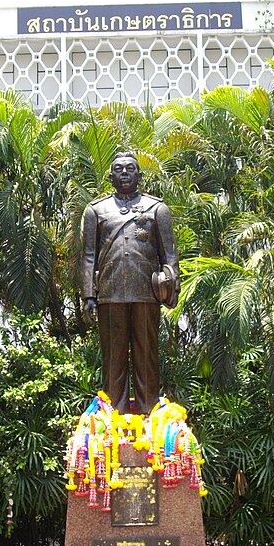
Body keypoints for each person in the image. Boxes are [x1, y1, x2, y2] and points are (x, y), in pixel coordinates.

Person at [81, 152, 180, 414]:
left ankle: (149, 414)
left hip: (146, 292)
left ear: (139, 175)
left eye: (130, 168)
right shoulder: (96, 210)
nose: (124, 173)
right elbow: (89, 256)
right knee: (113, 359)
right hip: (110, 293)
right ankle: (115, 414)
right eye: (118, 169)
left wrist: (172, 289)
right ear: (111, 176)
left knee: (146, 356)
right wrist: (89, 295)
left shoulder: (157, 208)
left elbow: (169, 254)